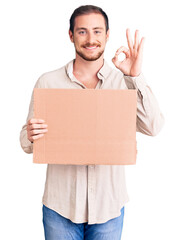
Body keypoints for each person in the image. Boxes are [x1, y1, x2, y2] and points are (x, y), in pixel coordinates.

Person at [20, 5, 164, 240]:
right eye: (82, 32)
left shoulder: (123, 82)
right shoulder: (48, 82)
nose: (90, 39)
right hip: (60, 208)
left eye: (97, 32)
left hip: (108, 209)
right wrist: (30, 134)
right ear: (71, 35)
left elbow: (154, 125)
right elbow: (26, 142)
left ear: (107, 35)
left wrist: (135, 76)